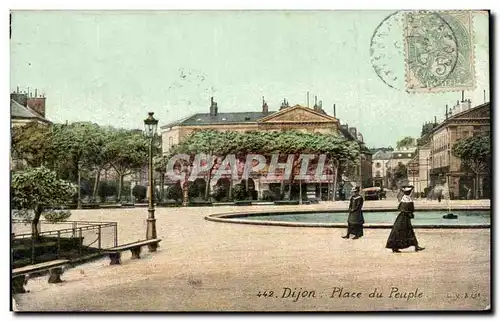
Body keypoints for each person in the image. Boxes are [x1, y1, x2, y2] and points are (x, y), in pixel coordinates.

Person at [386, 185, 425, 253]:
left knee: (398, 232)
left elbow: (399, 208)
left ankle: (395, 247)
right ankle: (416, 246)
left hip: (401, 217)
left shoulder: (403, 199)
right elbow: (411, 209)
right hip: (405, 218)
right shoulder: (409, 199)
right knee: (409, 232)